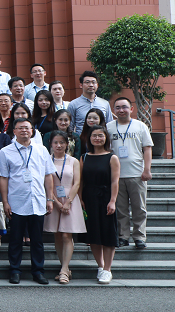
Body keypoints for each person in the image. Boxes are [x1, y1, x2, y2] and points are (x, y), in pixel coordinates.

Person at [0, 118, 54, 285]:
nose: (24, 131)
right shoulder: (6, 151)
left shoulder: (41, 149)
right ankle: (15, 270)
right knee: (15, 239)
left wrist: (50, 198)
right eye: (20, 128)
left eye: (27, 128)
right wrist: (5, 202)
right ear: (14, 131)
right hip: (16, 201)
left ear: (32, 131)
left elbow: (48, 175)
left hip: (37, 200)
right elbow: (3, 178)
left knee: (37, 240)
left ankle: (38, 271)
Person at [107, 97, 153, 249]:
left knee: (139, 208)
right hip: (116, 175)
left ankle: (139, 237)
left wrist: (147, 169)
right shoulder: (109, 127)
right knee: (121, 209)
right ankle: (123, 236)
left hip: (137, 174)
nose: (121, 110)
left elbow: (147, 148)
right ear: (114, 110)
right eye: (118, 107)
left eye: (124, 107)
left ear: (131, 109)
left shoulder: (140, 126)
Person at [43, 130, 86, 285]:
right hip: (53, 198)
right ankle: (65, 268)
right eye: (55, 142)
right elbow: (46, 182)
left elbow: (77, 182)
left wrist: (67, 202)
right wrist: (56, 202)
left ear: (67, 144)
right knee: (57, 235)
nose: (59, 145)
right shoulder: (47, 160)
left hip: (70, 199)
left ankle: (64, 270)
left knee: (67, 235)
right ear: (51, 144)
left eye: (62, 142)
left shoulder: (73, 161)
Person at [81, 124, 121, 284]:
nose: (97, 138)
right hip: (89, 198)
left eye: (100, 135)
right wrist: (80, 199)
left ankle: (108, 269)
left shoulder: (112, 157)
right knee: (94, 234)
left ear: (106, 138)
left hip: (106, 197)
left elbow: (115, 181)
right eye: (94, 135)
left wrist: (113, 201)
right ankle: (100, 266)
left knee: (108, 233)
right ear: (89, 138)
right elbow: (81, 181)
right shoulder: (84, 157)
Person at [68, 71, 113, 135]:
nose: (91, 85)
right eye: (87, 82)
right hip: (81, 139)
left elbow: (109, 125)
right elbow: (70, 127)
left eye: (93, 82)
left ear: (97, 85)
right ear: (81, 85)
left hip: (100, 139)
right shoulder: (73, 104)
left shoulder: (105, 103)